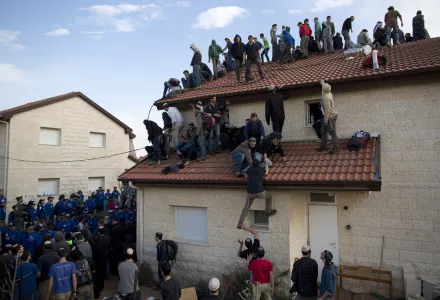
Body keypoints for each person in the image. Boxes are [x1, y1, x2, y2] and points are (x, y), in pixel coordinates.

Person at [237, 159, 276, 229]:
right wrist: (266, 164)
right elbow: (267, 172)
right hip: (260, 192)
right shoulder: (261, 169)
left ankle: (240, 223)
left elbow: (246, 176)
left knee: (246, 208)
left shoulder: (249, 170)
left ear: (252, 164)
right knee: (269, 196)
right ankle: (268, 211)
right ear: (259, 164)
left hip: (250, 193)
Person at [316, 80, 339, 154]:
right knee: (323, 130)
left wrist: (326, 121)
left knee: (332, 132)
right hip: (325, 116)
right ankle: (323, 147)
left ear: (324, 90)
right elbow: (324, 89)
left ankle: (336, 148)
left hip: (330, 117)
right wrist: (322, 82)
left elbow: (327, 110)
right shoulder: (328, 91)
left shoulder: (327, 97)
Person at [92, 228, 110, 299]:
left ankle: (99, 287)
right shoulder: (102, 246)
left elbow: (93, 255)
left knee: (97, 276)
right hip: (102, 262)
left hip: (96, 263)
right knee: (102, 275)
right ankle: (102, 286)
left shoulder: (94, 247)